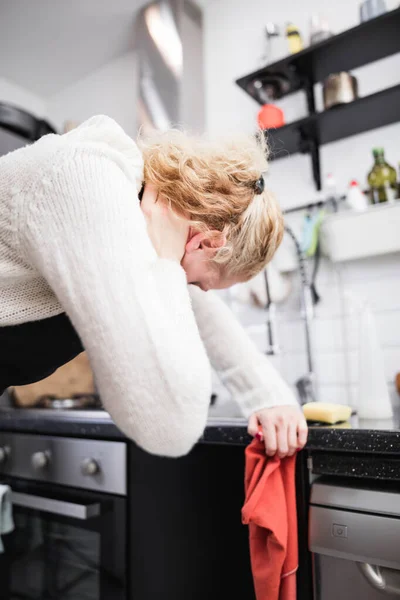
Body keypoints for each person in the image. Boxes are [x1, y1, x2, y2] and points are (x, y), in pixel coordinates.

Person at [0, 115, 308, 457]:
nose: (198, 291)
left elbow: (207, 317)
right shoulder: (87, 182)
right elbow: (170, 427)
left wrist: (270, 398)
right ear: (204, 243)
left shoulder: (133, 208)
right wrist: (167, 267)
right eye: (201, 281)